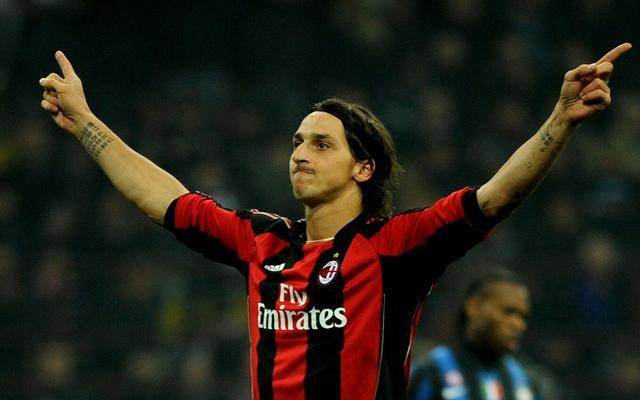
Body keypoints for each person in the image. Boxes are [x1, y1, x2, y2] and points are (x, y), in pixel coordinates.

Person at [38, 43, 631, 400]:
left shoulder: (393, 246)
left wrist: (561, 120)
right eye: (297, 141)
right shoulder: (261, 241)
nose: (300, 153)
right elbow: (164, 200)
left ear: (362, 167)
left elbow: (494, 199)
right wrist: (86, 124)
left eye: (321, 144)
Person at [407, 269, 542, 400]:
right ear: (473, 306)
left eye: (523, 317)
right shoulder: (429, 373)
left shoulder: (527, 383)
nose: (519, 325)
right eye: (508, 312)